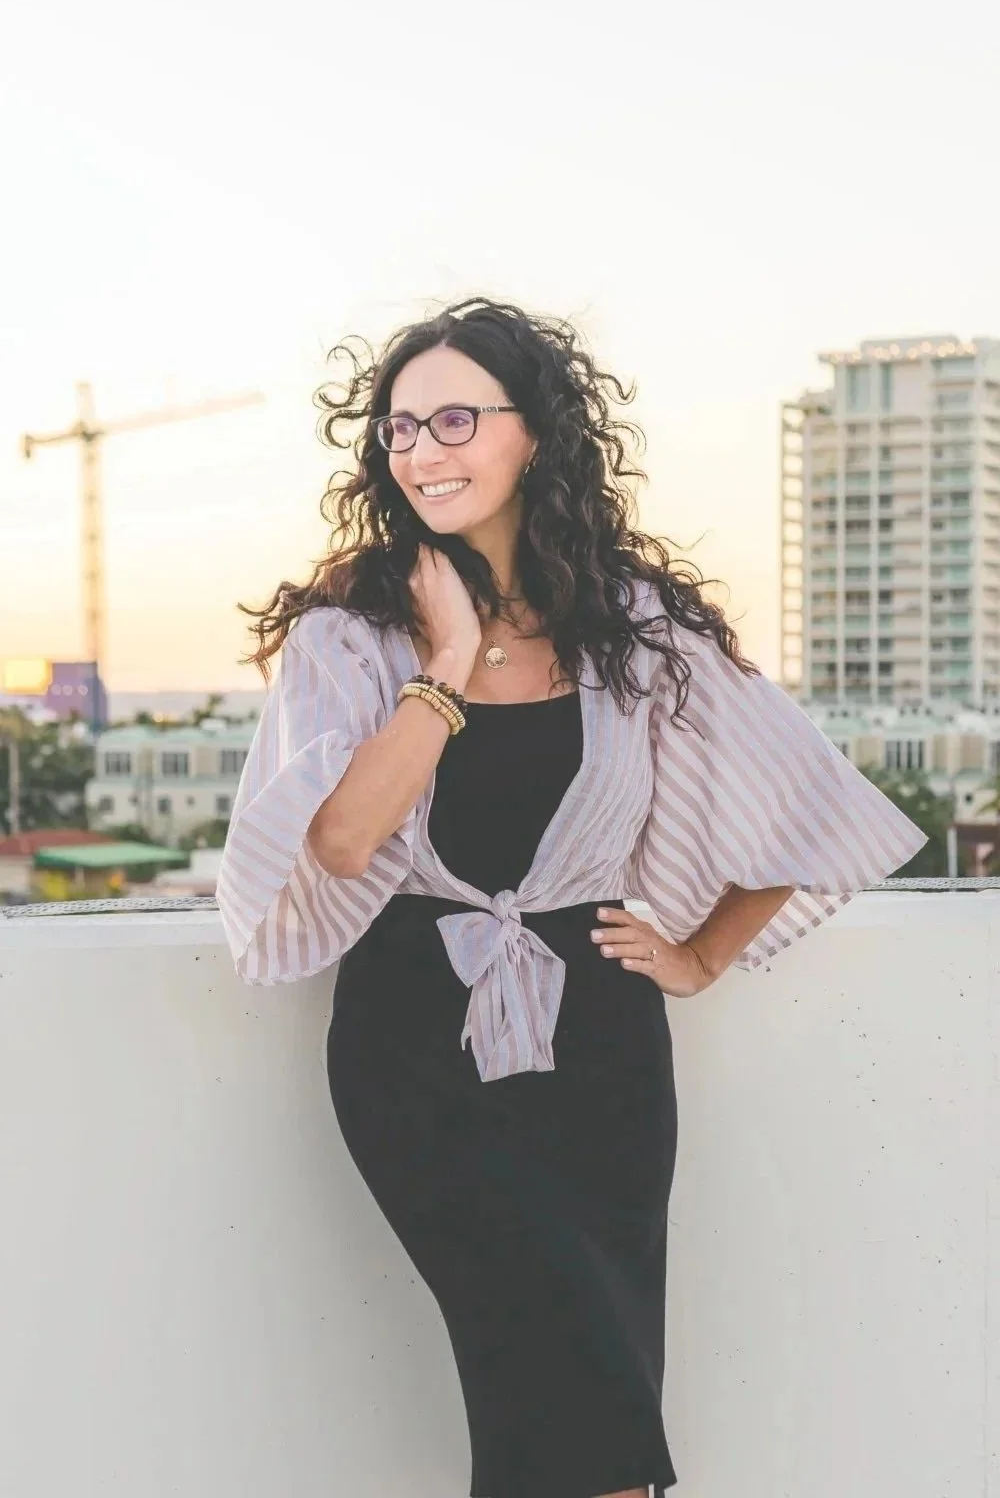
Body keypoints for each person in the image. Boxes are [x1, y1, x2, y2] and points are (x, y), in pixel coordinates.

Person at [216, 296, 927, 1498]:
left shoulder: (631, 627)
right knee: (559, 1384)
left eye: (455, 418)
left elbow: (803, 802)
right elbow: (340, 839)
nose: (423, 449)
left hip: (602, 1058)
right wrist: (443, 664)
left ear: (533, 436)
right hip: (416, 1055)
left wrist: (699, 955)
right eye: (398, 429)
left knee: (581, 1412)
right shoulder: (353, 634)